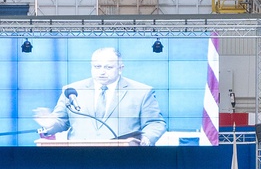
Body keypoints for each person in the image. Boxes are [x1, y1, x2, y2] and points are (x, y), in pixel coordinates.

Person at [33, 46, 166, 146]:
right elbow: (61, 122)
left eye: (108, 67)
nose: (101, 72)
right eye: (97, 67)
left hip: (125, 158)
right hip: (79, 157)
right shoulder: (72, 90)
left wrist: (146, 140)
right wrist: (50, 123)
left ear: (120, 68)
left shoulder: (142, 91)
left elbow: (155, 123)